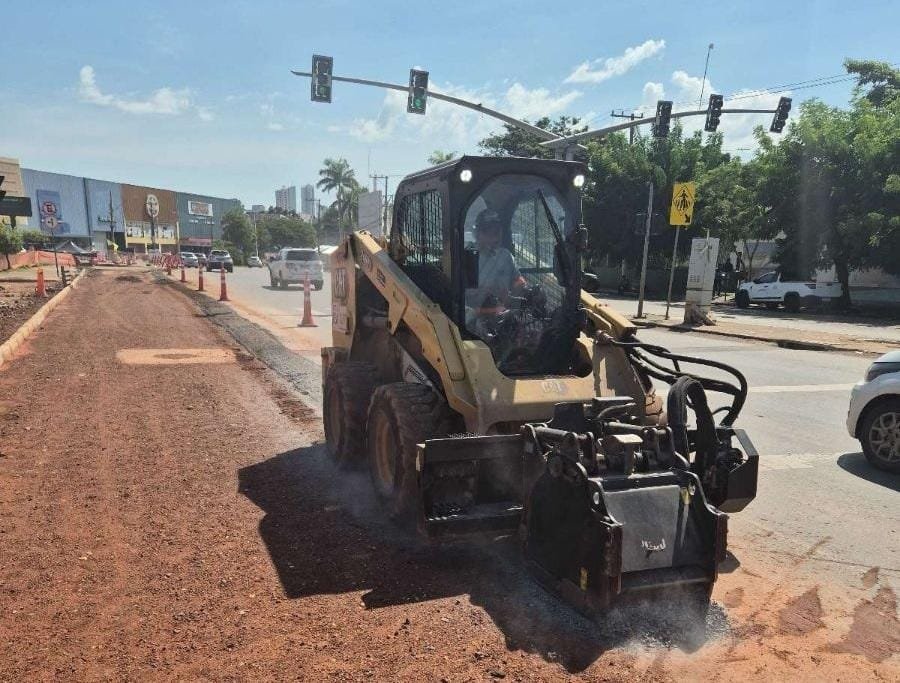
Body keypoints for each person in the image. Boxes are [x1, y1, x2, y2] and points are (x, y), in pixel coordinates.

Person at [467, 209, 526, 310]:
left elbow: (518, 279)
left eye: (496, 232)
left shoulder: (505, 255)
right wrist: (487, 291)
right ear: (477, 233)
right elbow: (465, 294)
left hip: (505, 313)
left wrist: (515, 290)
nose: (493, 238)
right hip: (477, 316)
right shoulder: (469, 257)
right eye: (487, 232)